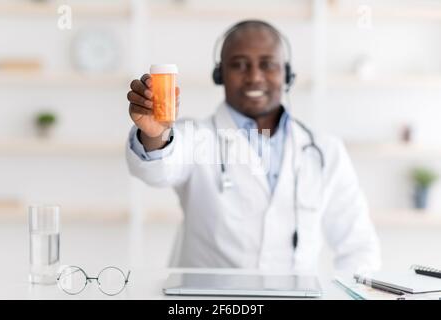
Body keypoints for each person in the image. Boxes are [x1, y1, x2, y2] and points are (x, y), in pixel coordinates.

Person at [125, 20, 380, 275]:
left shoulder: (325, 151)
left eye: (267, 64)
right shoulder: (196, 137)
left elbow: (358, 247)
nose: (254, 77)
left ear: (287, 74)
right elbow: (157, 168)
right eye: (239, 65)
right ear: (220, 75)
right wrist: (155, 135)